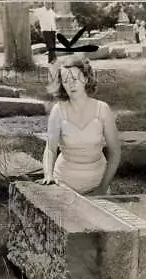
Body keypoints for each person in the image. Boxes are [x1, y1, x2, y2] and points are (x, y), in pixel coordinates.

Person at [36, 56, 121, 196]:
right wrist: (48, 175)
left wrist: (102, 188)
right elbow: (50, 149)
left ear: (86, 79)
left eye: (75, 78)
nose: (71, 84)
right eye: (65, 80)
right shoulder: (58, 110)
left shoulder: (102, 109)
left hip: (97, 184)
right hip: (63, 185)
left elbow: (115, 152)